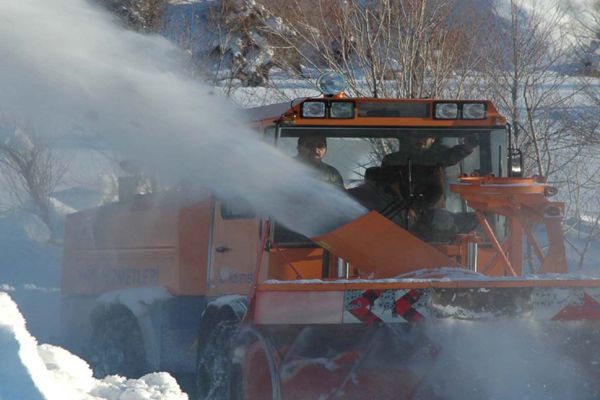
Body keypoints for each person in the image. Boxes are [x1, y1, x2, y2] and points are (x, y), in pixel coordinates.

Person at [380, 135, 479, 242]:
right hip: (397, 216)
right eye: (416, 134)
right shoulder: (393, 160)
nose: (421, 138)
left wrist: (467, 147)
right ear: (408, 136)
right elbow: (384, 187)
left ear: (433, 139)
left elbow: (452, 155)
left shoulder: (438, 156)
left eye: (427, 134)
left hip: (433, 220)